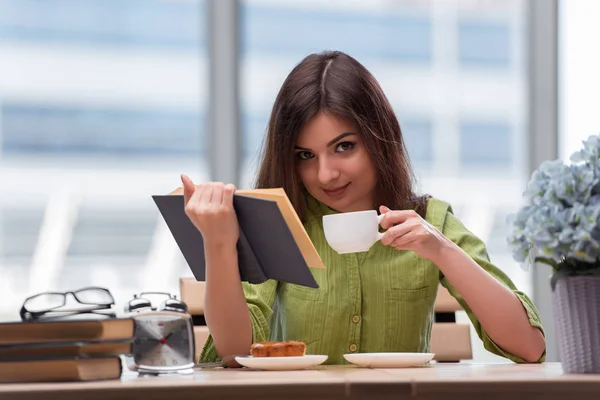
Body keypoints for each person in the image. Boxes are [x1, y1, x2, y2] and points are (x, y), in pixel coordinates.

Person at [179, 50, 546, 367]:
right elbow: (234, 352)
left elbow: (529, 348)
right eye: (306, 155)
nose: (325, 174)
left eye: (344, 147)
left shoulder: (429, 220)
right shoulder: (278, 221)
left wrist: (441, 250)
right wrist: (219, 244)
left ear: (379, 138)